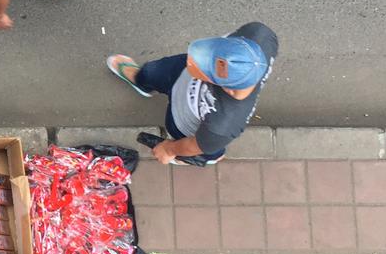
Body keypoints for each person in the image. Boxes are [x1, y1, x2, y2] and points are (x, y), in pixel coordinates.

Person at [106, 22, 279, 165]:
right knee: (152, 72)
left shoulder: (223, 125)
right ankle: (142, 80)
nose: (192, 60)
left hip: (182, 121)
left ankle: (209, 157)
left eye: (204, 69)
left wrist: (169, 149)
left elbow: (195, 144)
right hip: (180, 75)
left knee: (205, 147)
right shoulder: (259, 34)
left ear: (228, 89)